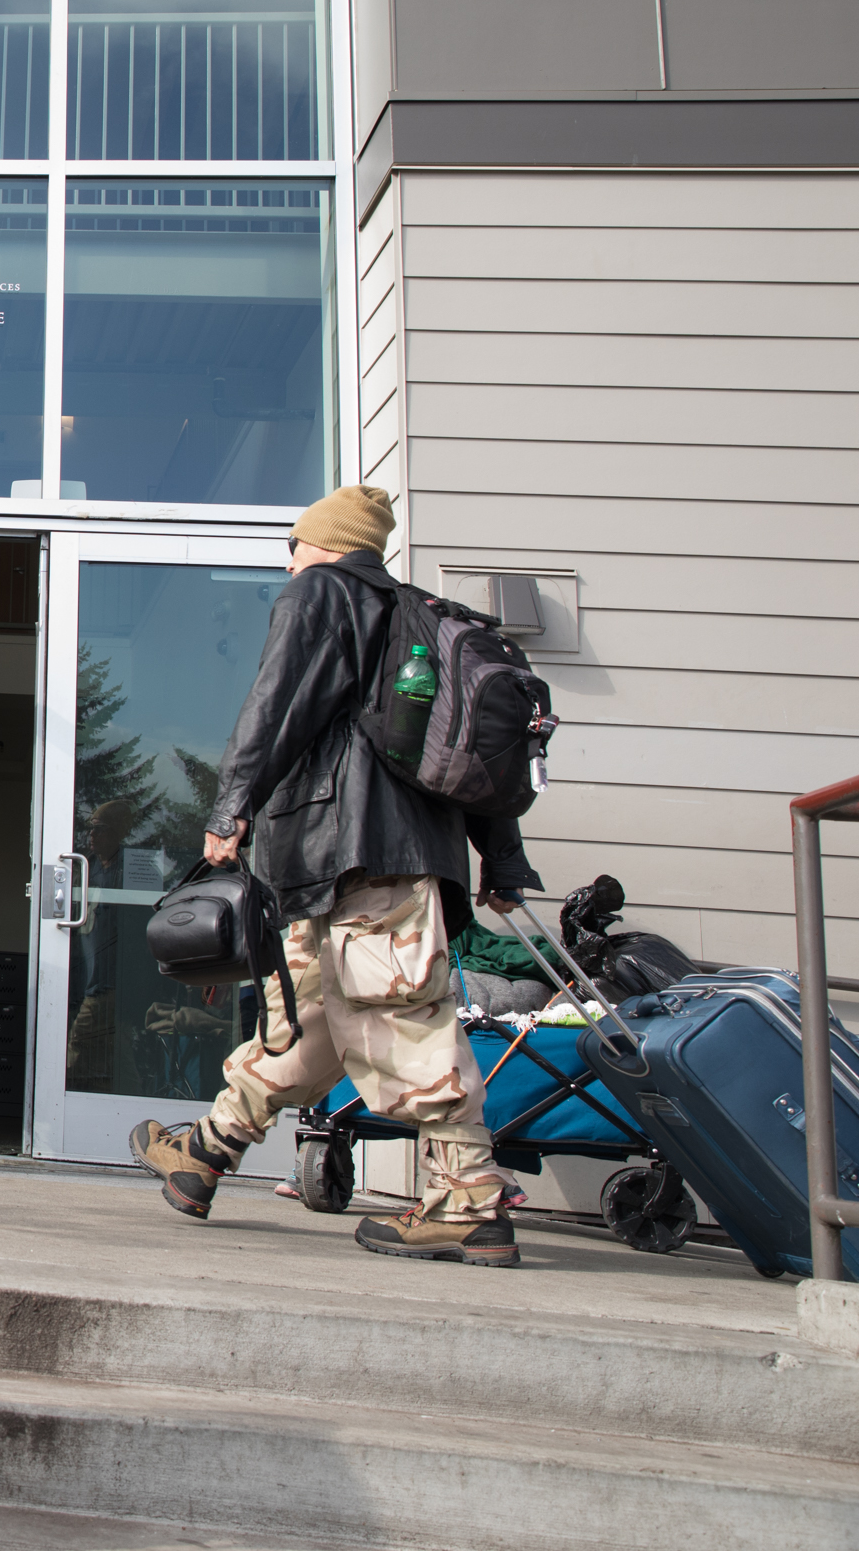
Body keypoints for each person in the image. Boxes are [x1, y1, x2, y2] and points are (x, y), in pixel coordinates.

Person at [128, 485, 543, 1267]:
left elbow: (276, 704)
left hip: (357, 859)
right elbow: (476, 755)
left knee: (402, 1022)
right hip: (368, 863)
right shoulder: (421, 618)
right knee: (304, 1020)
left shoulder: (323, 593)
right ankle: (206, 1152)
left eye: (294, 545)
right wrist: (505, 862)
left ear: (320, 544)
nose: (288, 560)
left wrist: (231, 808)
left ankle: (469, 1201)